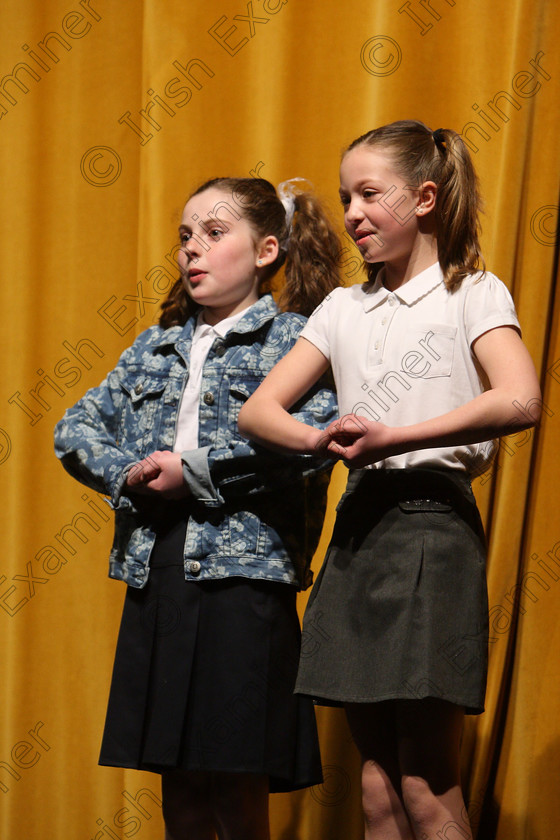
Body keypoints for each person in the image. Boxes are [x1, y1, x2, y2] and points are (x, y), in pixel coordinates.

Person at [238, 121, 542, 840]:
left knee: (425, 784)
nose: (351, 214)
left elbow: (520, 398)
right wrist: (323, 438)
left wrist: (393, 437)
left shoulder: (471, 292)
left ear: (426, 198)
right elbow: (258, 411)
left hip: (433, 527)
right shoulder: (346, 307)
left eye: (370, 194)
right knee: (375, 789)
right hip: (359, 533)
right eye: (346, 197)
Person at [54, 176, 342, 840]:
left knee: (237, 783)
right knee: (177, 785)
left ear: (267, 249)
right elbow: (74, 429)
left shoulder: (295, 342)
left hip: (244, 580)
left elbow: (307, 444)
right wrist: (131, 473)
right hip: (158, 573)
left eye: (214, 234)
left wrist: (193, 473)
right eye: (186, 236)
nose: (193, 250)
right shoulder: (154, 345)